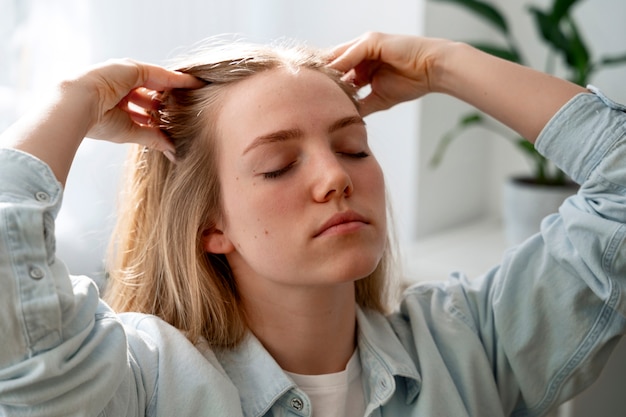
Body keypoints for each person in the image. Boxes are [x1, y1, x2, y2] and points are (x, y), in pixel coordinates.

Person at [0, 31, 624, 417]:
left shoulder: (468, 350)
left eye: (353, 147)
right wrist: (71, 99)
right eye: (278, 165)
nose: (336, 178)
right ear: (209, 225)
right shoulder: (143, 385)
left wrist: (444, 64)